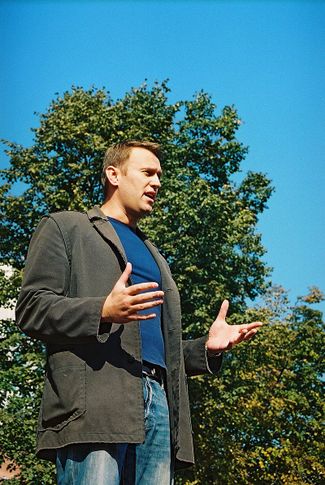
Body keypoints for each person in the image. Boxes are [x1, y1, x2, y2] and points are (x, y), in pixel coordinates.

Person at [16, 140, 262, 484]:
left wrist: (205, 348)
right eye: (147, 172)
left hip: (158, 404)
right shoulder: (66, 227)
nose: (157, 182)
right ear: (113, 175)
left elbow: (156, 347)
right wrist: (101, 309)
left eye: (160, 175)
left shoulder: (154, 254)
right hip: (96, 405)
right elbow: (31, 308)